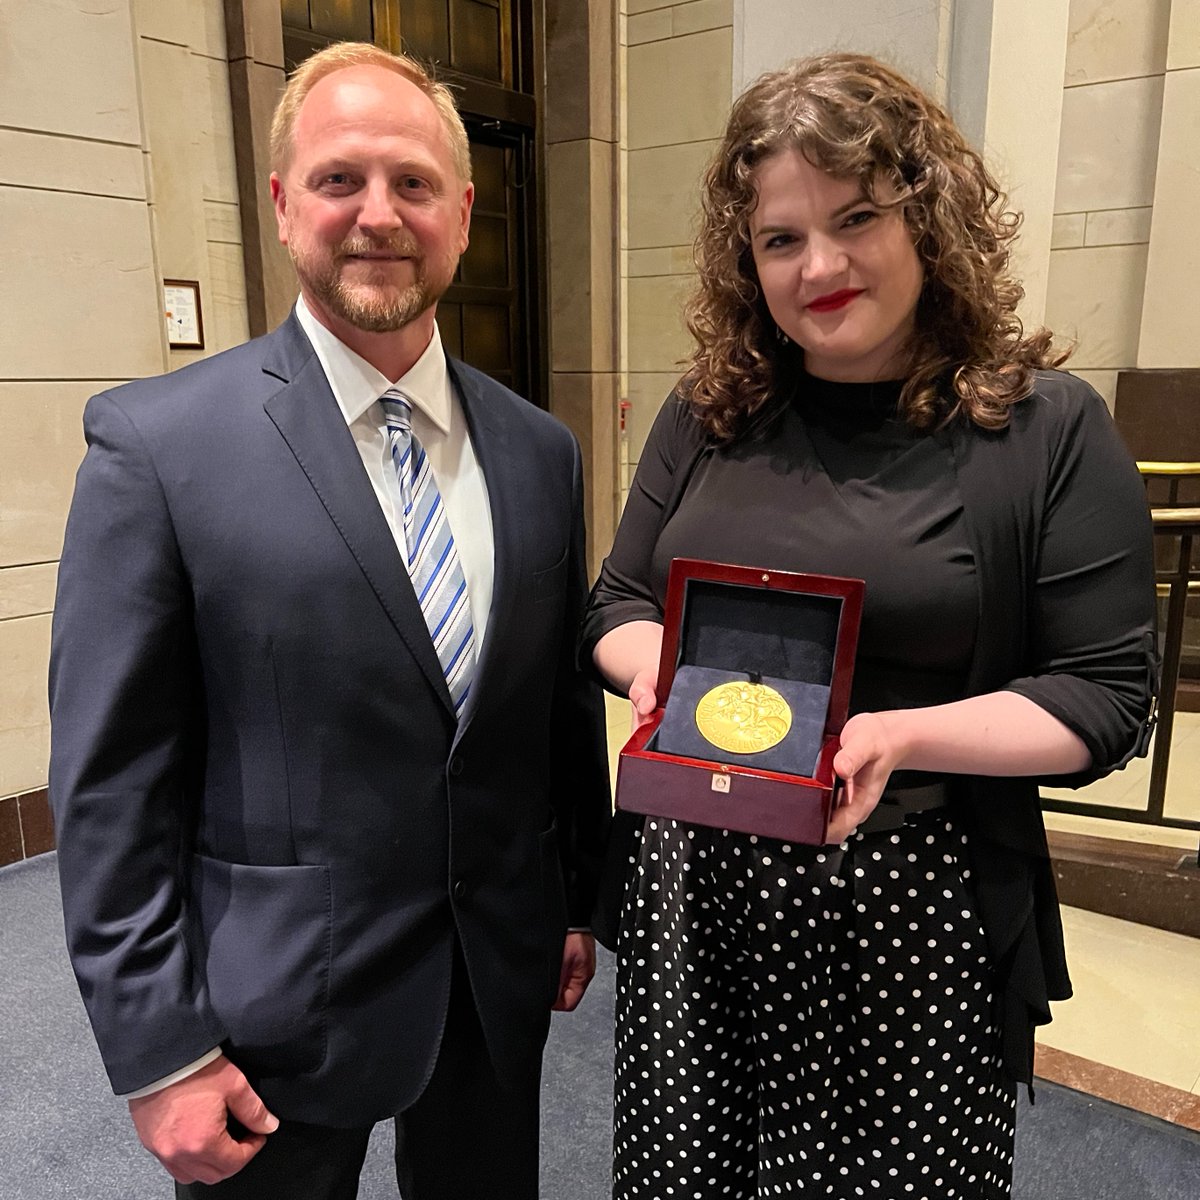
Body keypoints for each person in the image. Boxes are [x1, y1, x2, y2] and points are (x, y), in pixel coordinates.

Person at [582, 53, 1156, 1200]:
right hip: (698, 890)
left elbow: (1103, 697)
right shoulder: (711, 412)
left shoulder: (1042, 431)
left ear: (929, 217)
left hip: (910, 901)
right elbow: (619, 603)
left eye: (856, 219)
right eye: (781, 238)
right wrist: (659, 676)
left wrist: (897, 736)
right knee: (687, 1177)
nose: (821, 265)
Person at [49, 41, 610, 1200]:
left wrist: (571, 901)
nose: (378, 216)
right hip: (271, 1014)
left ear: (462, 210)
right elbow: (110, 784)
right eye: (339, 180)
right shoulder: (159, 448)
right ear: (281, 204)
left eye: (412, 183)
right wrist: (160, 1051)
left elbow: (551, 712)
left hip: (489, 978)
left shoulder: (538, 451)